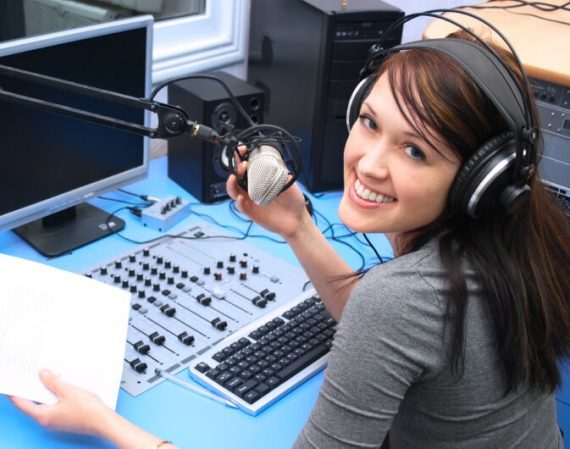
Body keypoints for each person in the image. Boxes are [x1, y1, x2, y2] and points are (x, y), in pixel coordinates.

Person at [9, 28, 570, 449]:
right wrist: (299, 226)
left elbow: (390, 314)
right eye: (370, 123)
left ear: (478, 179)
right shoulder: (512, 245)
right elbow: (406, 331)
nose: (368, 164)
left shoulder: (401, 298)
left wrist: (103, 423)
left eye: (415, 150)